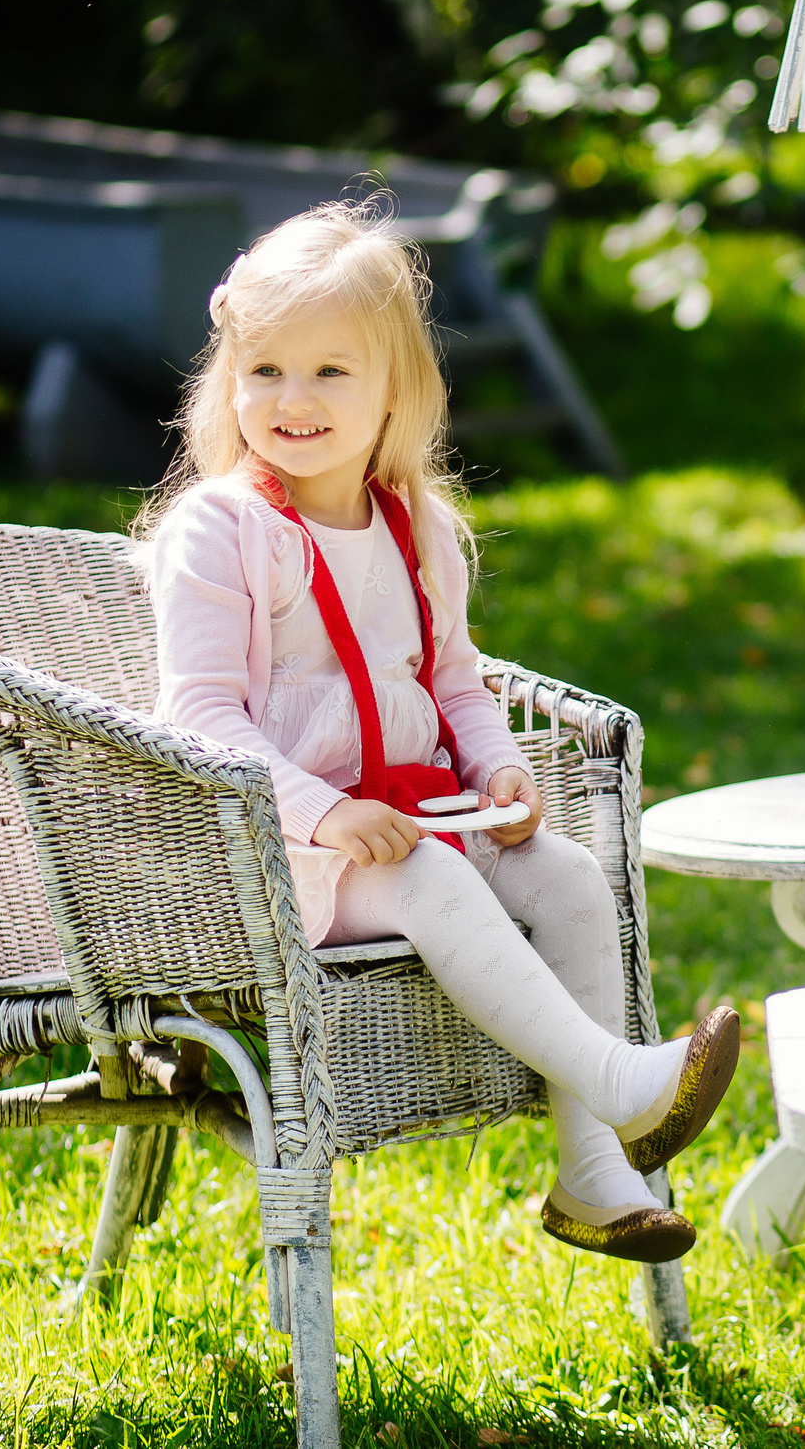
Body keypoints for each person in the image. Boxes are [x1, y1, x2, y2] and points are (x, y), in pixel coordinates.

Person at [140, 200, 736, 1262]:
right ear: (230, 379)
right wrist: (323, 813)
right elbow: (198, 716)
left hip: (411, 816)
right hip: (268, 852)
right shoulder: (225, 530)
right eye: (266, 370)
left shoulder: (417, 529)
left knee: (566, 879)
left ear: (395, 392)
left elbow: (455, 683)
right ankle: (619, 1080)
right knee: (435, 881)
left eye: (331, 372)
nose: (294, 399)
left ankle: (593, 1175)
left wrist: (499, 766)